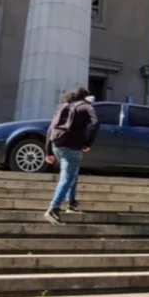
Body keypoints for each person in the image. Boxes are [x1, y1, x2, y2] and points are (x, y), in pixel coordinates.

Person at [43, 87, 100, 224]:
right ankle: (54, 208)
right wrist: (88, 143)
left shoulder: (62, 107)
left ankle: (71, 204)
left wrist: (48, 151)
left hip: (57, 143)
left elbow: (51, 128)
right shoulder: (86, 107)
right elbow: (96, 123)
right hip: (73, 146)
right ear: (85, 96)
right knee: (68, 177)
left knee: (72, 174)